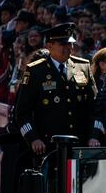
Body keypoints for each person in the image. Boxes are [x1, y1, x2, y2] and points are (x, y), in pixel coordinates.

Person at [15, 22, 97, 154]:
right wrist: (33, 139)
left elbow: (95, 107)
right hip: (48, 146)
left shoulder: (83, 66)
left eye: (70, 44)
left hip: (80, 144)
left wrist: (94, 136)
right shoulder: (35, 70)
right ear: (49, 45)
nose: (68, 48)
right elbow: (22, 113)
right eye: (63, 44)